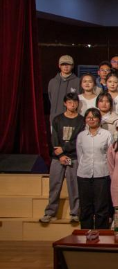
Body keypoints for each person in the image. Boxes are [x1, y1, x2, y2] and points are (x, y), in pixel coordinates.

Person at [40, 93, 84, 224]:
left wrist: (64, 149)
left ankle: (75, 213)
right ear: (65, 103)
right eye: (69, 102)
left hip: (74, 157)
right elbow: (54, 138)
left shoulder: (81, 120)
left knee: (74, 186)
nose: (72, 104)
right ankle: (50, 212)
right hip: (57, 158)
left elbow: (79, 140)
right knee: (54, 185)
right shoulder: (58, 119)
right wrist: (60, 154)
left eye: (75, 102)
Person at [75, 108, 114, 230]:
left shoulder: (106, 134)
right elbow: (80, 155)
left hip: (101, 174)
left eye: (94, 117)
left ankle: (102, 234)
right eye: (88, 117)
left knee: (101, 206)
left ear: (99, 119)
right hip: (84, 174)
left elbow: (110, 155)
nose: (91, 120)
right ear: (85, 120)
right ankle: (85, 233)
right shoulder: (81, 136)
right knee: (85, 207)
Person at [48, 56, 80, 127]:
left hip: (72, 119)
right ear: (59, 66)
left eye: (68, 64)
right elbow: (51, 98)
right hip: (55, 119)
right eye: (63, 64)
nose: (66, 66)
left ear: (72, 66)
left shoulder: (78, 81)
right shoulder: (52, 82)